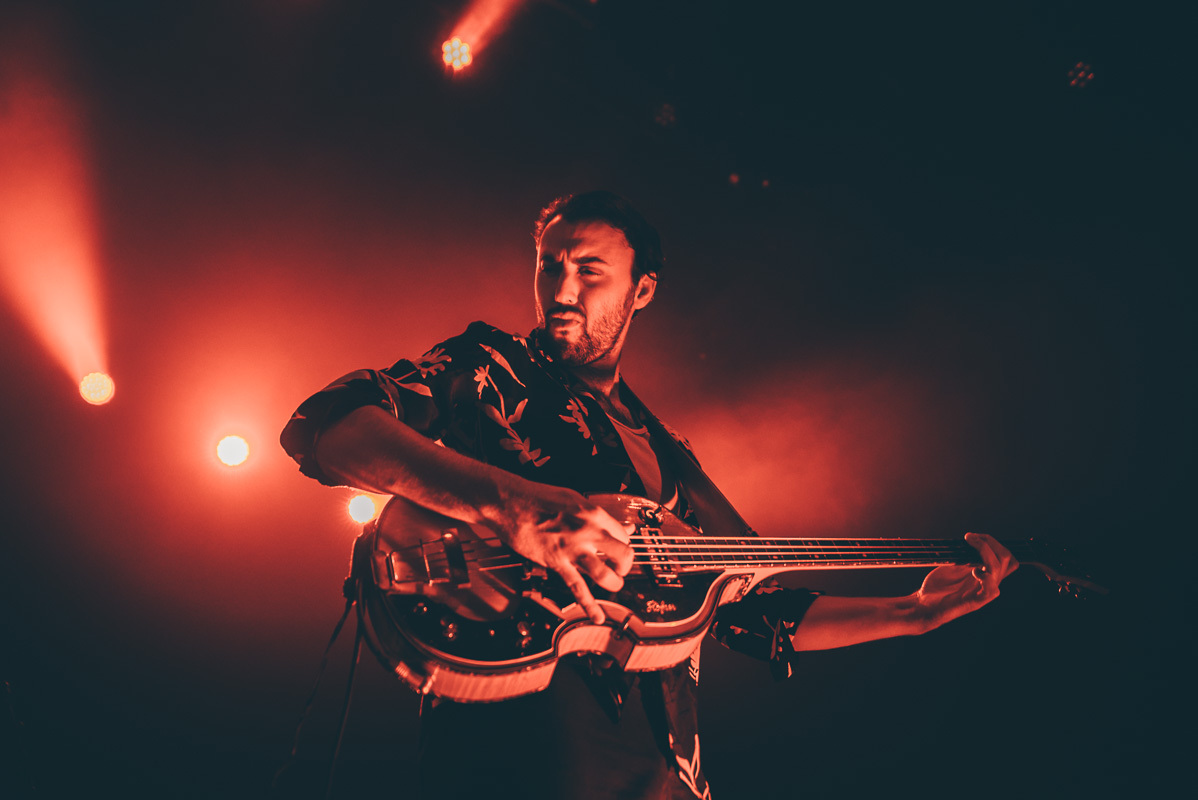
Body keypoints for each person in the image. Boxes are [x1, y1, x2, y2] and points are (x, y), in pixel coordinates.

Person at [280, 191, 1018, 800]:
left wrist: (915, 613)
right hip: (521, 749)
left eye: (590, 271)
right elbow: (330, 427)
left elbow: (758, 604)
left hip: (666, 767)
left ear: (643, 289)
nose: (562, 292)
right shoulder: (491, 367)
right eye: (550, 267)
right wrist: (511, 505)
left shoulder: (668, 455)